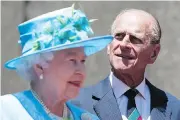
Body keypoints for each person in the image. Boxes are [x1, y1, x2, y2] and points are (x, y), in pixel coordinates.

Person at [0, 5, 113, 120]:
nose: (81, 71)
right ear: (39, 66)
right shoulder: (7, 110)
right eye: (72, 60)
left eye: (82, 61)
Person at [72, 9, 180, 120]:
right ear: (109, 46)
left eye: (135, 39)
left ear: (154, 53)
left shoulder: (173, 108)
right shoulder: (77, 103)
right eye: (119, 36)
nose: (124, 44)